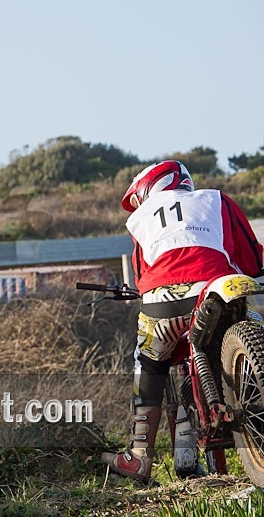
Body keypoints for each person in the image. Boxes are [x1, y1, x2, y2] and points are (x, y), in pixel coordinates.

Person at [101, 160, 264, 482]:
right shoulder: (217, 199)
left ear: (148, 189)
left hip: (164, 304)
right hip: (214, 291)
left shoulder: (139, 219)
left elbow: (143, 276)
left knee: (148, 362)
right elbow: (250, 256)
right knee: (255, 324)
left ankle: (139, 456)